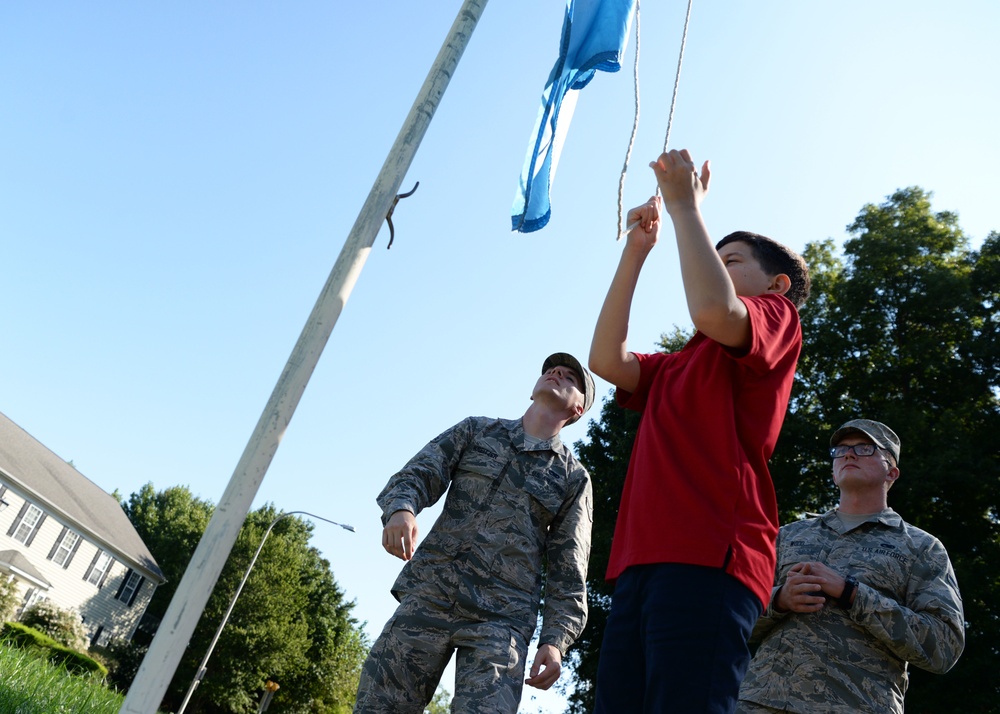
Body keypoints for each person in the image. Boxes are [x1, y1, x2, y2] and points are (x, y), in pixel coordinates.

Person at [588, 148, 811, 712]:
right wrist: (637, 253)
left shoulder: (776, 318)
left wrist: (687, 208)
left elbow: (713, 309)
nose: (716, 264)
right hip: (641, 564)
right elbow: (606, 360)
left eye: (729, 259)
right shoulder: (676, 364)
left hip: (713, 557)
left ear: (776, 284)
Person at [353, 352, 596, 714]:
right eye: (551, 370)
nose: (556, 373)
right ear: (532, 391)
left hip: (501, 621)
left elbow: (568, 569)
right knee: (379, 706)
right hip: (431, 593)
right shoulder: (477, 431)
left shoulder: (573, 478)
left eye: (570, 378)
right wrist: (401, 509)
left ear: (577, 410)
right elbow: (418, 474)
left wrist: (556, 641)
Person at [736, 419, 965, 714]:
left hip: (859, 706)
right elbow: (731, 621)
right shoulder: (786, 536)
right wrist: (779, 600)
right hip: (763, 704)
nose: (848, 454)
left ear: (891, 472)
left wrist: (853, 595)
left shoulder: (921, 547)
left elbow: (943, 648)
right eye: (841, 450)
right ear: (833, 473)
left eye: (864, 448)